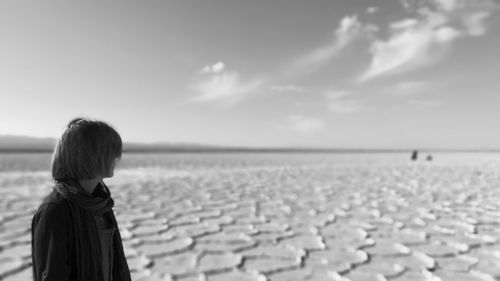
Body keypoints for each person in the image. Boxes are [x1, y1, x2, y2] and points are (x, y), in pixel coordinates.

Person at [31, 118, 131, 281]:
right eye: (111, 151)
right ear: (90, 155)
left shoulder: (100, 203)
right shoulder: (55, 211)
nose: (117, 158)